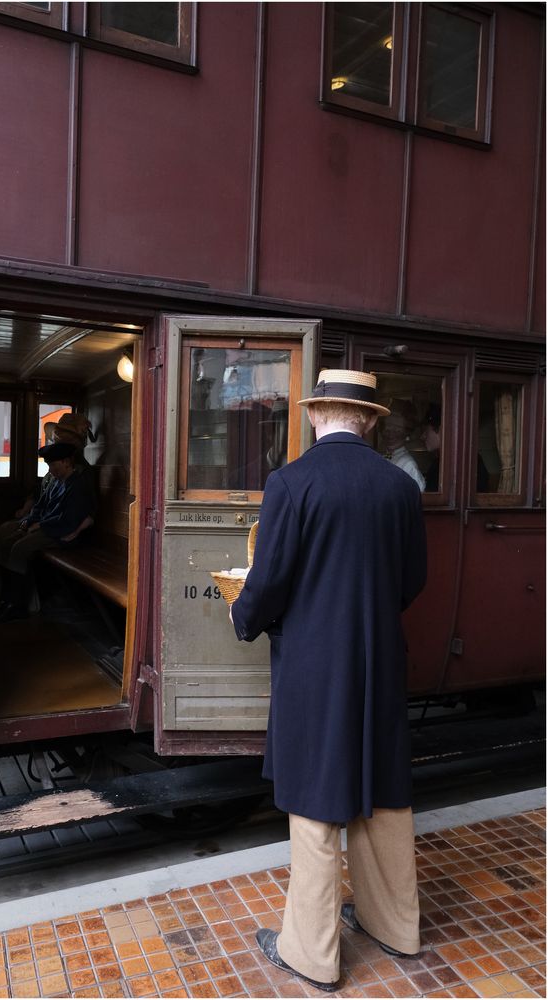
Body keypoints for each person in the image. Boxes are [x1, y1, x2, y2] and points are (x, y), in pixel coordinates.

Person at [229, 369, 427, 992]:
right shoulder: (400, 487)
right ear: (368, 420)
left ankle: (312, 955)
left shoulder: (291, 482)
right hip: (381, 659)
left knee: (317, 799)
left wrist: (244, 613)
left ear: (317, 416)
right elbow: (412, 580)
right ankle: (396, 926)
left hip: (316, 665)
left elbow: (269, 579)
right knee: (384, 788)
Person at [0, 441, 95, 621]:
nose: (51, 469)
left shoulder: (77, 486)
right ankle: (4, 596)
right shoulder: (55, 482)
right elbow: (40, 506)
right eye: (49, 465)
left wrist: (40, 526)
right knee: (6, 540)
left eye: (54, 465)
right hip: (48, 526)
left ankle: (19, 604)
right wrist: (28, 521)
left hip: (63, 533)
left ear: (66, 462)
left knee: (20, 548)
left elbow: (69, 520)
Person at [380, 411, 426, 492]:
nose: (391, 434)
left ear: (406, 433)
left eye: (397, 430)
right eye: (387, 429)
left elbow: (419, 493)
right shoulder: (382, 456)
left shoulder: (408, 463)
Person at [420, 403, 442, 492]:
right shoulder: (438, 464)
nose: (422, 437)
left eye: (425, 431)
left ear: (440, 430)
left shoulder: (471, 464)